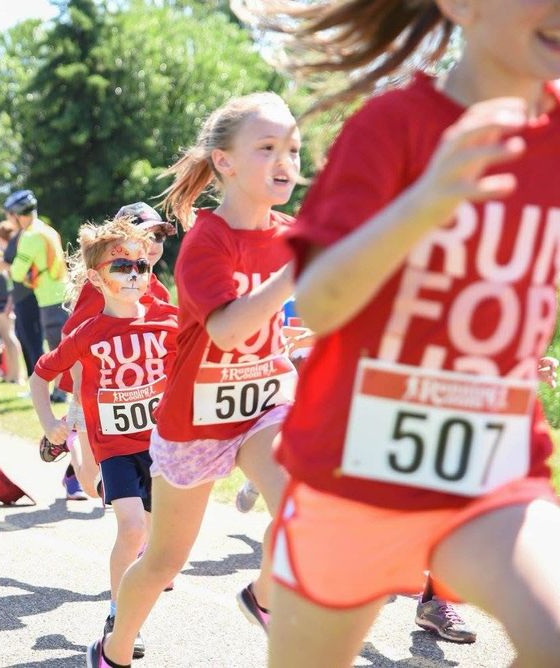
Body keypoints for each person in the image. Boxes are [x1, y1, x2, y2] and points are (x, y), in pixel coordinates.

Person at [230, 2, 560, 666]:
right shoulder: (390, 126)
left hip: (487, 471)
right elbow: (318, 302)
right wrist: (427, 201)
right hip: (350, 479)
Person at [90, 91, 303, 668]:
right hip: (197, 422)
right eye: (268, 147)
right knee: (162, 561)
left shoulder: (294, 233)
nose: (286, 160)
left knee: (303, 503)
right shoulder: (208, 241)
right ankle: (112, 649)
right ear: (225, 162)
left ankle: (263, 597)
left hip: (265, 402)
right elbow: (230, 330)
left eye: (294, 148)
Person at [34, 217, 178, 660]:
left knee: (155, 542)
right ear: (97, 278)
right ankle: (117, 613)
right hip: (116, 448)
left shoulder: (169, 321)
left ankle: (130, 612)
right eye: (121, 267)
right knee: (131, 529)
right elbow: (40, 377)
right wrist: (49, 422)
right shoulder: (88, 332)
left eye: (141, 264)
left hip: (161, 448)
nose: (134, 273)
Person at [60, 203, 176, 498]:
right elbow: (73, 341)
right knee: (91, 485)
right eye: (144, 235)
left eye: (159, 237)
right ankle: (70, 443)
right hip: (94, 395)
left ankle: (142, 541)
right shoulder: (101, 288)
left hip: (139, 400)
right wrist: (78, 399)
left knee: (148, 481)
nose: (153, 244)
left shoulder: (156, 290)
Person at [5, 190, 69, 401]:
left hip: (50, 298)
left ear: (16, 215)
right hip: (63, 292)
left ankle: (61, 393)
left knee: (57, 348)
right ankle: (61, 391)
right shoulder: (47, 230)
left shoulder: (30, 236)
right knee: (62, 345)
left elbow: (16, 272)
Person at [0, 221, 23, 384]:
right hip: (5, 300)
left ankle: (16, 375)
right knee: (7, 338)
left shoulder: (10, 256)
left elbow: (12, 282)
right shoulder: (5, 254)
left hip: (6, 300)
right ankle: (12, 373)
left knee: (9, 337)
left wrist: (11, 302)